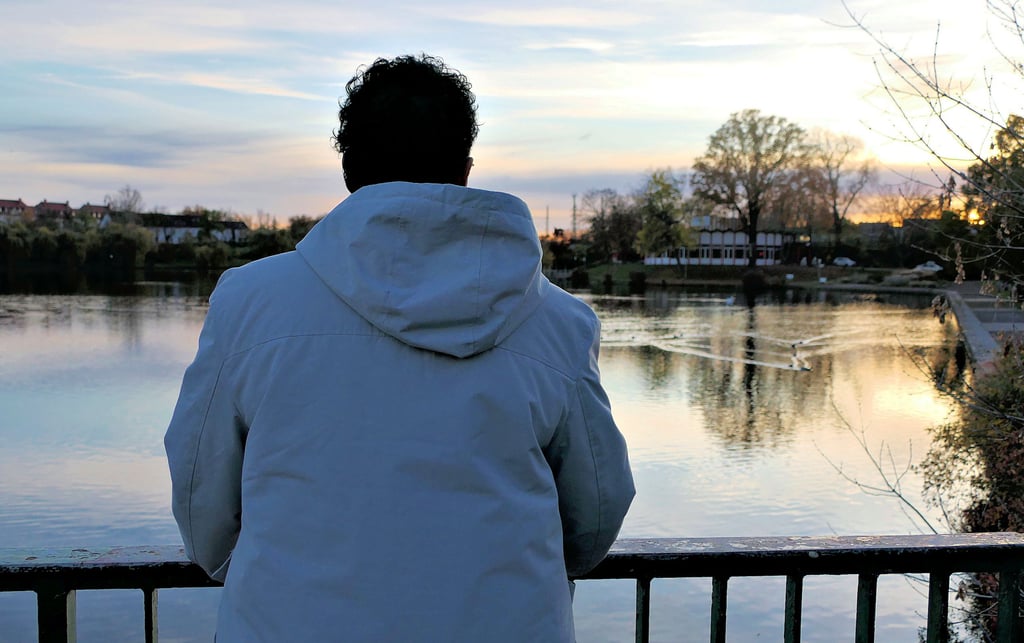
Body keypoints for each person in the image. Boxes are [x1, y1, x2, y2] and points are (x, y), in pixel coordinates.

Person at [164, 53, 634, 642]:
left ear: (348, 168)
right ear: (464, 169)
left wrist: (278, 574)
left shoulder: (250, 302)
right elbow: (594, 516)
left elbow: (199, 494)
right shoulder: (560, 322)